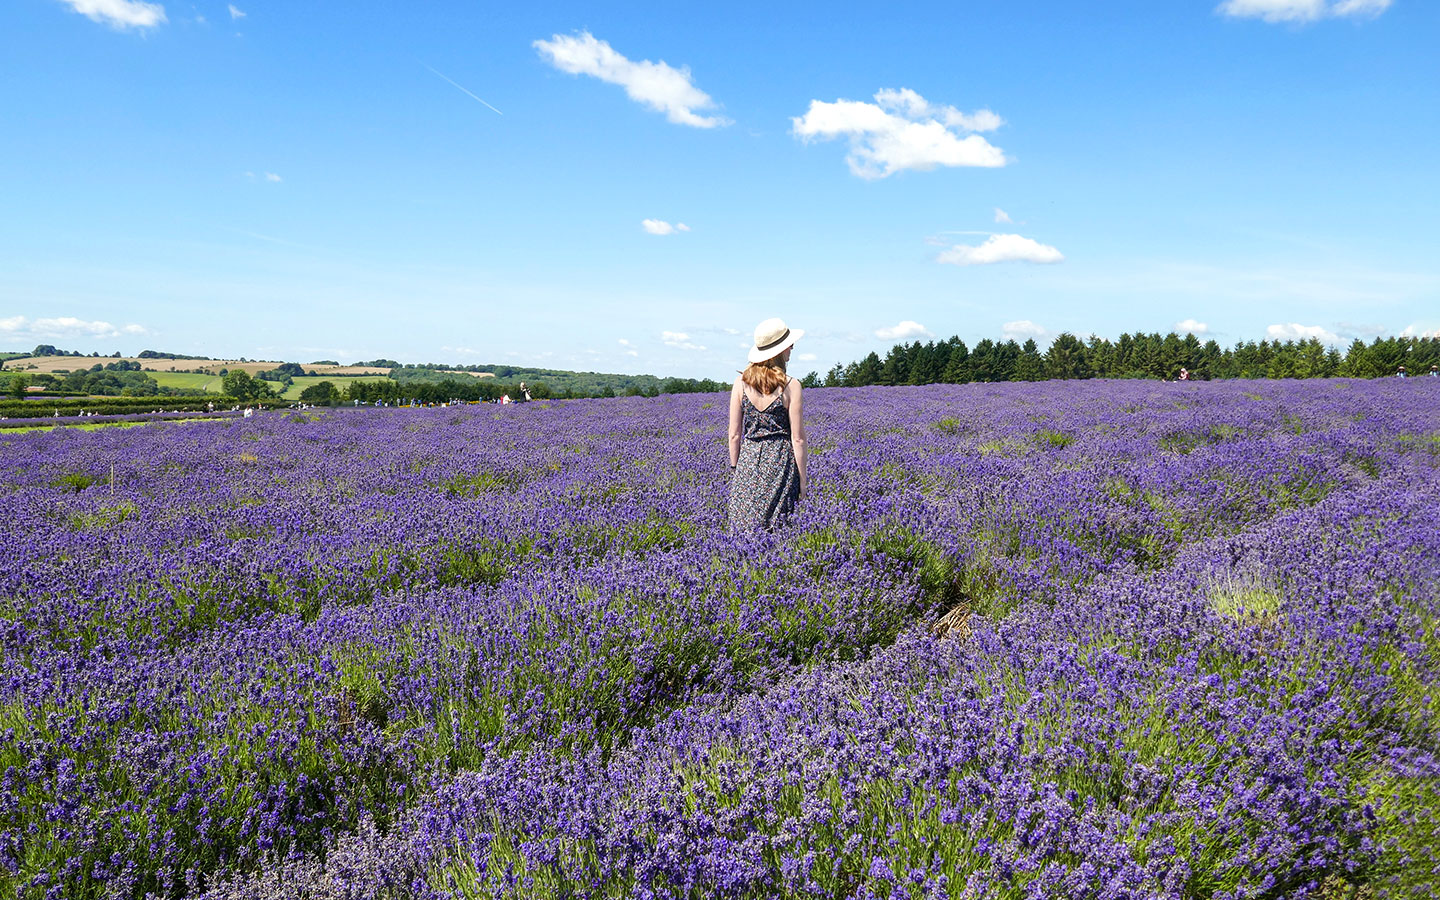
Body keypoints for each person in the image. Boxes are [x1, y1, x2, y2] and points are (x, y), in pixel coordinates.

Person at [727, 318, 807, 529]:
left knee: (744, 524)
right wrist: (803, 482)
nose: (792, 348)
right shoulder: (792, 386)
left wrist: (736, 469)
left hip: (749, 460)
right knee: (779, 525)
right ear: (779, 351)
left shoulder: (740, 383)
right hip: (781, 461)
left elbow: (734, 435)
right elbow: (797, 439)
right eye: (789, 345)